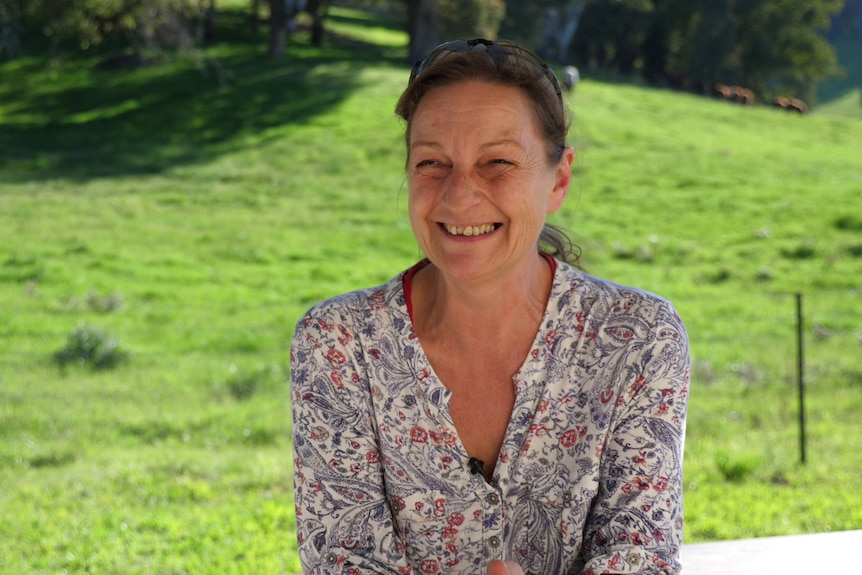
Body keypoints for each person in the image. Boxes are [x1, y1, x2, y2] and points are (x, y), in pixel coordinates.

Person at [290, 38, 690, 575]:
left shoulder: (640, 339)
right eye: (432, 162)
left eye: (497, 162)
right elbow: (345, 560)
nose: (459, 197)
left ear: (559, 180)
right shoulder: (338, 345)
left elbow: (641, 556)